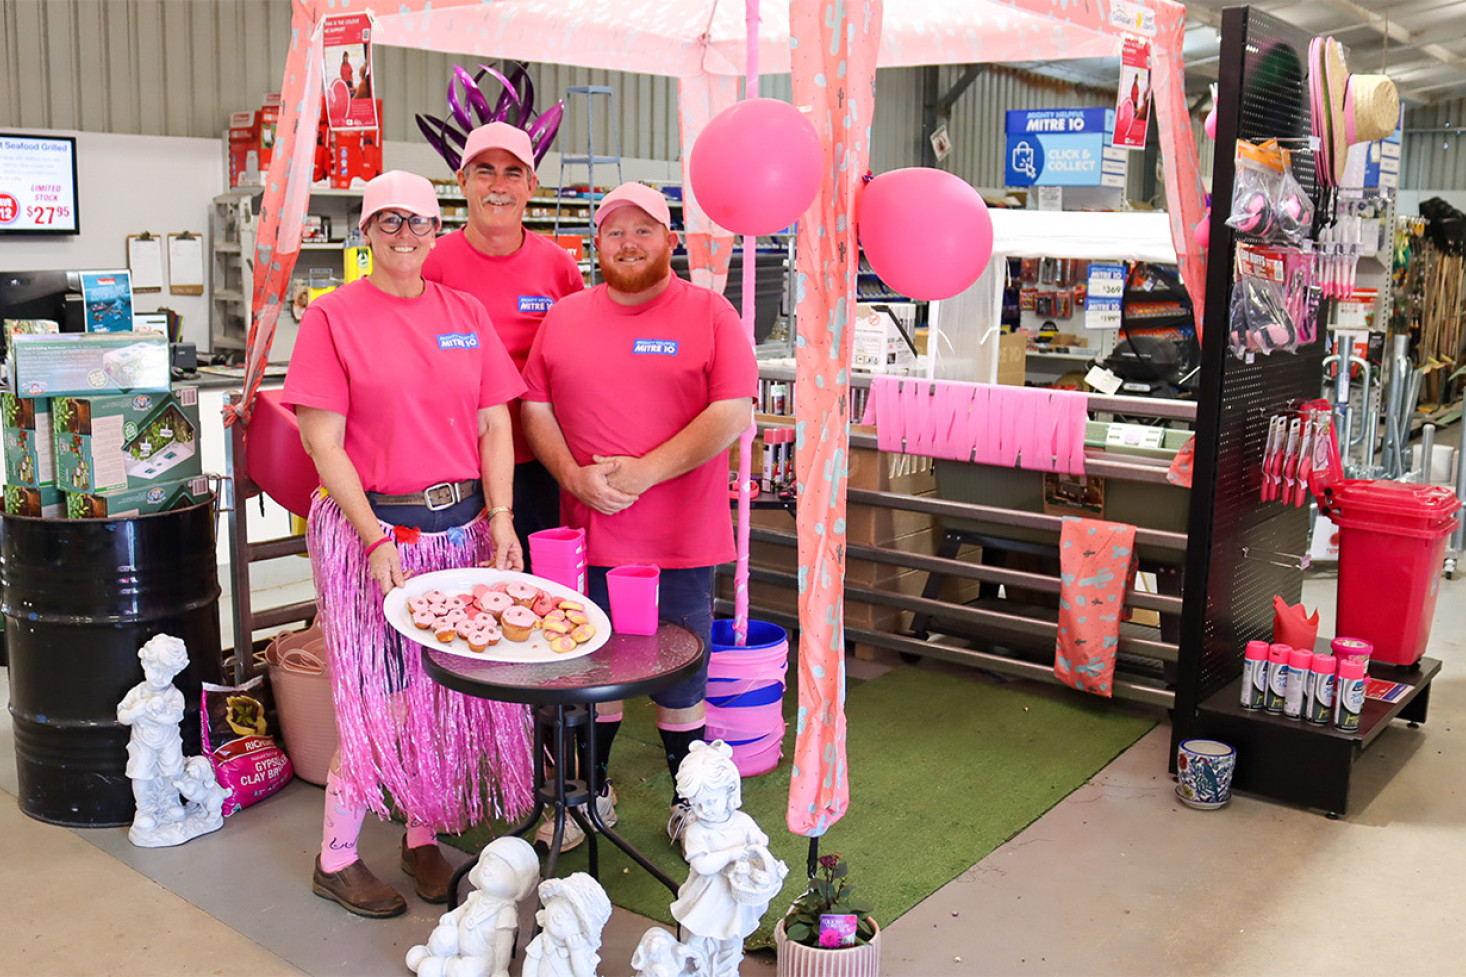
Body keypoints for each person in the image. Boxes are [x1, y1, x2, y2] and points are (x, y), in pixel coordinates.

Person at [283, 169, 533, 919]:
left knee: (440, 690)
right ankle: (336, 855)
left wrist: (501, 517)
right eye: (388, 221)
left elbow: (495, 424)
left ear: (436, 231)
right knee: (380, 698)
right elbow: (323, 443)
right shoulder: (332, 318)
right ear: (365, 231)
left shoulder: (465, 313)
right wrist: (372, 536)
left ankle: (421, 833)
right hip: (377, 532)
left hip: (459, 529)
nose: (404, 235)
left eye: (418, 221)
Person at [521, 181, 758, 843]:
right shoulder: (565, 317)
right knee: (591, 669)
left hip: (680, 540)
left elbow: (733, 411)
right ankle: (589, 794)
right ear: (595, 245)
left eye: (644, 229)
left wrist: (647, 471)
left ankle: (692, 803)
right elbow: (533, 406)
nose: (629, 243)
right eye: (615, 232)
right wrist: (571, 473)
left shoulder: (710, 314)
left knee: (680, 676)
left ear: (670, 239)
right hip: (587, 541)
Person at [423, 121, 585, 572]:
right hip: (454, 466)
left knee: (534, 593)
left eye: (513, 173)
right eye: (484, 171)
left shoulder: (559, 268)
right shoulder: (430, 264)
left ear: (531, 185)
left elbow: (578, 366)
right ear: (462, 181)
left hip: (537, 466)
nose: (498, 186)